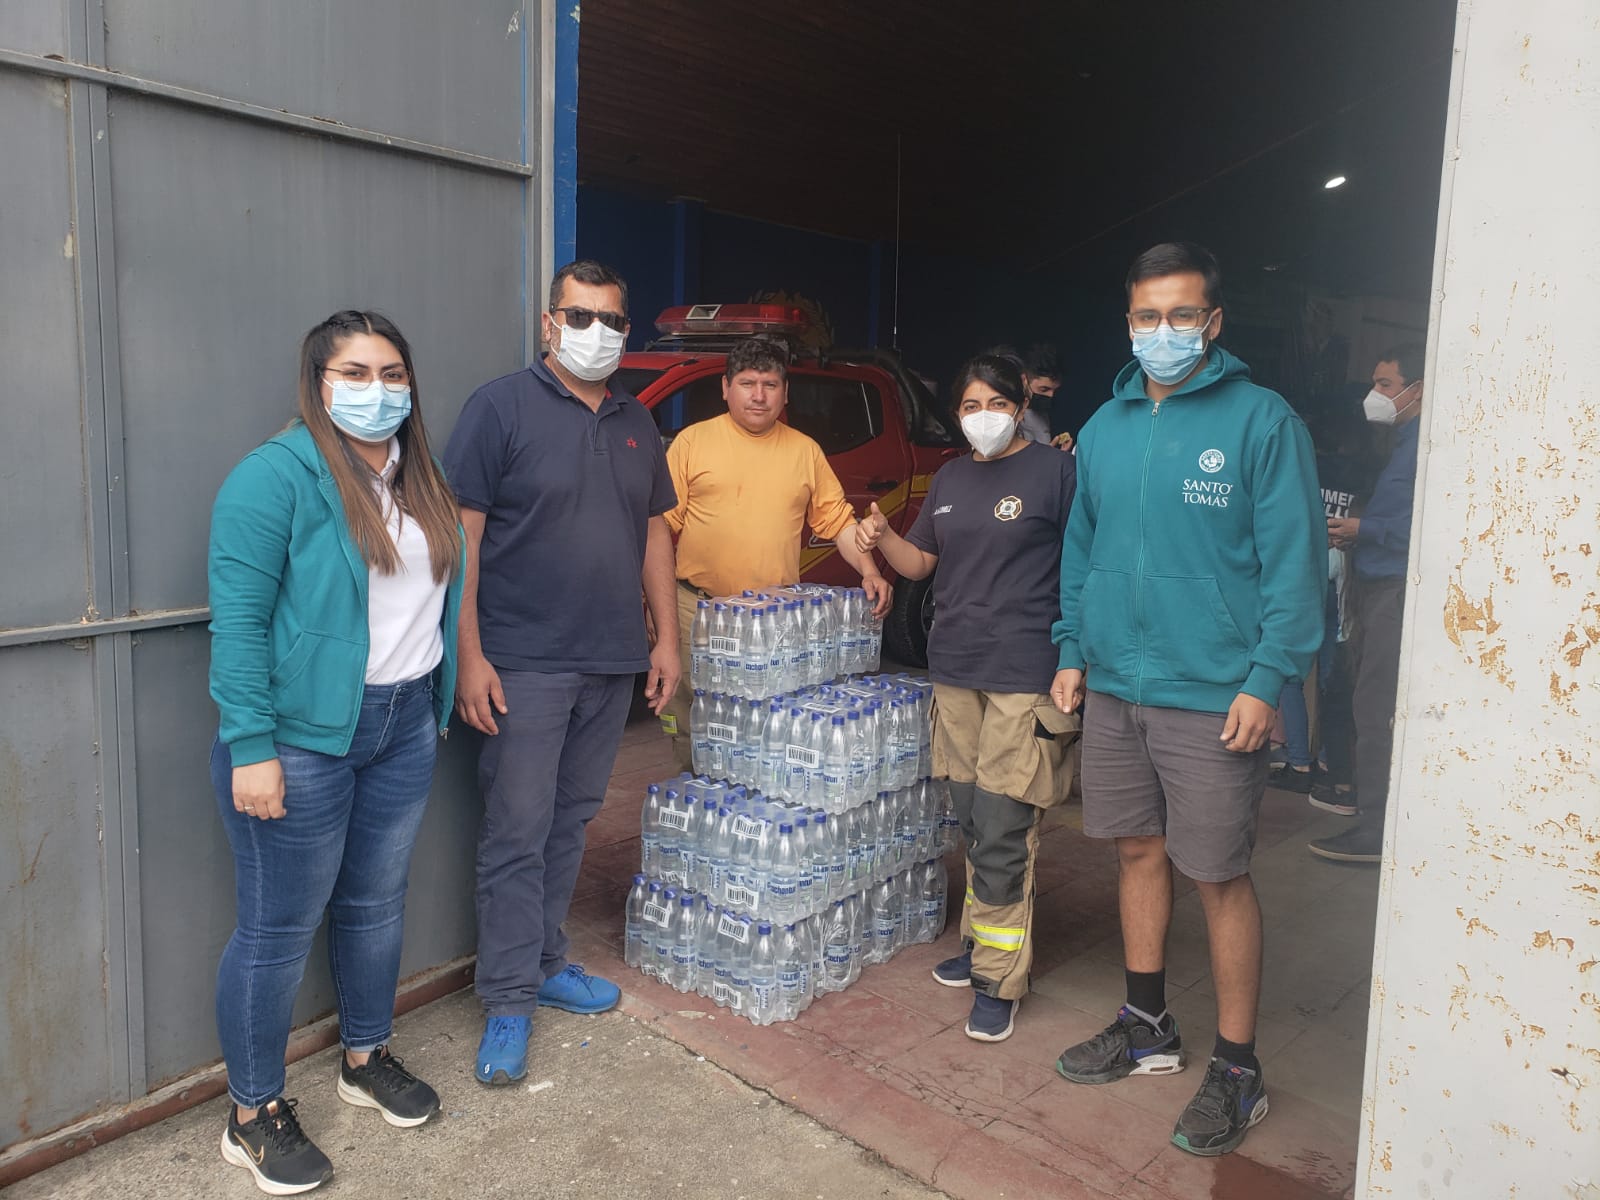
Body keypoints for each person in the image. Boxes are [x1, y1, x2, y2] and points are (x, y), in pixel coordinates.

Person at [1049, 243, 1323, 1157]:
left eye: (1179, 316)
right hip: (1118, 685)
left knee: (1217, 874)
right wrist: (1073, 649)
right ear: (1127, 322)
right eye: (1144, 317)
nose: (1160, 332)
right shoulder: (1103, 428)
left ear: (1213, 323)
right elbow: (1081, 552)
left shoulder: (1262, 422)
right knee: (1136, 851)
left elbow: (1294, 565)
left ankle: (1239, 1067)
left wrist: (1266, 676)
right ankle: (1147, 1023)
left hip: (1213, 693)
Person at [208, 310, 465, 1194]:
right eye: (354, 373)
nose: (378, 389)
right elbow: (237, 623)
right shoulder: (273, 477)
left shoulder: (416, 474)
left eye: (393, 372)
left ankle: (364, 1057)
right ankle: (251, 1113)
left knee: (375, 904)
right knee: (277, 930)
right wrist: (251, 747)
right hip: (304, 737)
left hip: (401, 727)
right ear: (317, 382)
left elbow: (428, 604)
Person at [443, 261, 680, 1086]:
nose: (599, 334)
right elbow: (461, 538)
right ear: (550, 324)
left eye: (613, 321)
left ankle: (544, 962)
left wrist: (666, 640)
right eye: (581, 318)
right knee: (515, 830)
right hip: (523, 665)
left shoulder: (635, 421)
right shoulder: (498, 408)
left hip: (610, 661)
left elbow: (655, 534)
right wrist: (467, 655)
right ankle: (508, 996)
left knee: (569, 821)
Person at [856, 354, 1080, 1043]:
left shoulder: (1056, 472)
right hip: (954, 670)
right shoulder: (951, 477)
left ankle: (998, 978)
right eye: (967, 406)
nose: (979, 415)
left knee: (1006, 827)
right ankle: (983, 941)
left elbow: (1085, 566)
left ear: (1018, 406)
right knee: (970, 818)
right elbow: (922, 563)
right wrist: (883, 537)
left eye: (992, 402)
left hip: (1024, 674)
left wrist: (1076, 657)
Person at [659, 337, 892, 766]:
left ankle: (754, 822)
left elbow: (837, 520)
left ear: (785, 394)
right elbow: (659, 527)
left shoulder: (804, 450)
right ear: (725, 388)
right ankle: (697, 802)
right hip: (698, 610)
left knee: (764, 724)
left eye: (770, 384)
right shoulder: (692, 443)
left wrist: (869, 570)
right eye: (748, 383)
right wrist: (648, 601)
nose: (759, 395)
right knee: (693, 721)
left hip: (773, 620)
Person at [1310, 346, 1425, 863]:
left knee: (1374, 707)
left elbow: (1430, 522)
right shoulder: (1401, 443)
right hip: (1378, 582)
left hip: (1397, 590)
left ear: (1416, 389)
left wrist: (1366, 528)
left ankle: (1377, 829)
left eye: (1385, 384)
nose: (1374, 395)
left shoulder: (1427, 444)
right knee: (1369, 702)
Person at [1019, 344, 1061, 445]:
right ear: (1024, 380)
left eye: (1055, 390)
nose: (1050, 395)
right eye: (1044, 389)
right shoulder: (1008, 415)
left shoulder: (1042, 410)